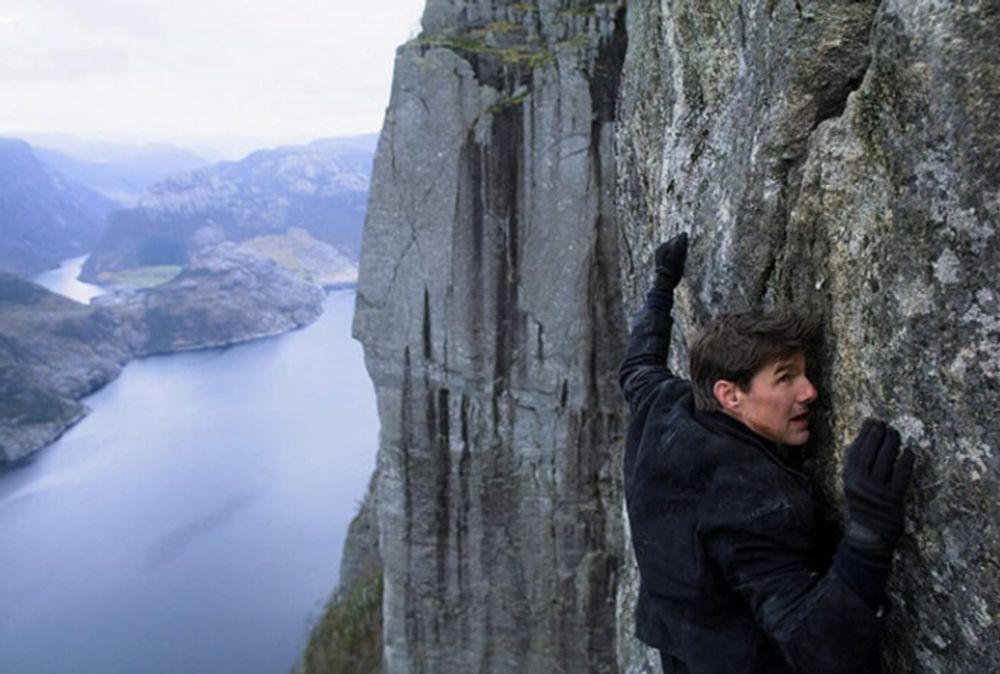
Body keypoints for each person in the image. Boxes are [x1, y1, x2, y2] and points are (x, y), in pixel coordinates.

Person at [619, 233, 915, 673]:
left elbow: (639, 366)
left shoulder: (666, 406)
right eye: (784, 378)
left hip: (684, 647)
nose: (810, 392)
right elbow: (818, 649)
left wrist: (663, 287)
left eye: (805, 374)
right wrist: (870, 534)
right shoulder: (753, 501)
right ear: (729, 394)